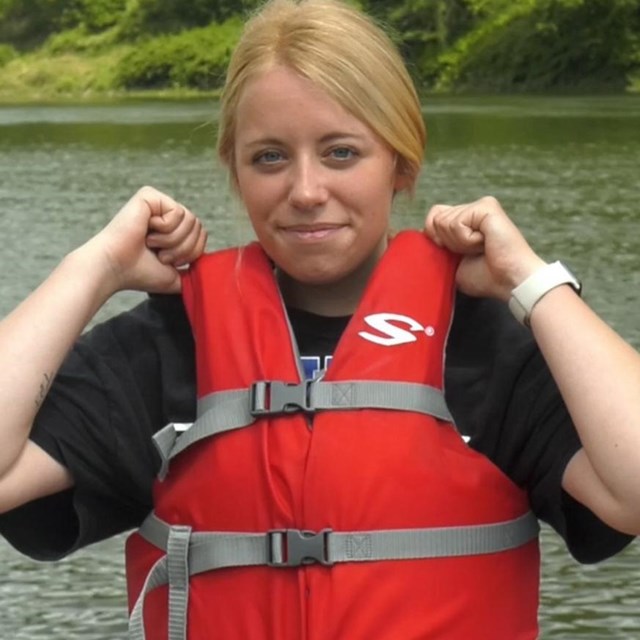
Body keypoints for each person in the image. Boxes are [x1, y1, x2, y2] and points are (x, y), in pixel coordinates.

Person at [0, 0, 639, 638]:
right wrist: (95, 268)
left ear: (402, 164)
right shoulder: (172, 344)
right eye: (269, 158)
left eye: (340, 153)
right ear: (236, 172)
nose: (305, 191)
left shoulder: (482, 342)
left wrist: (532, 283)